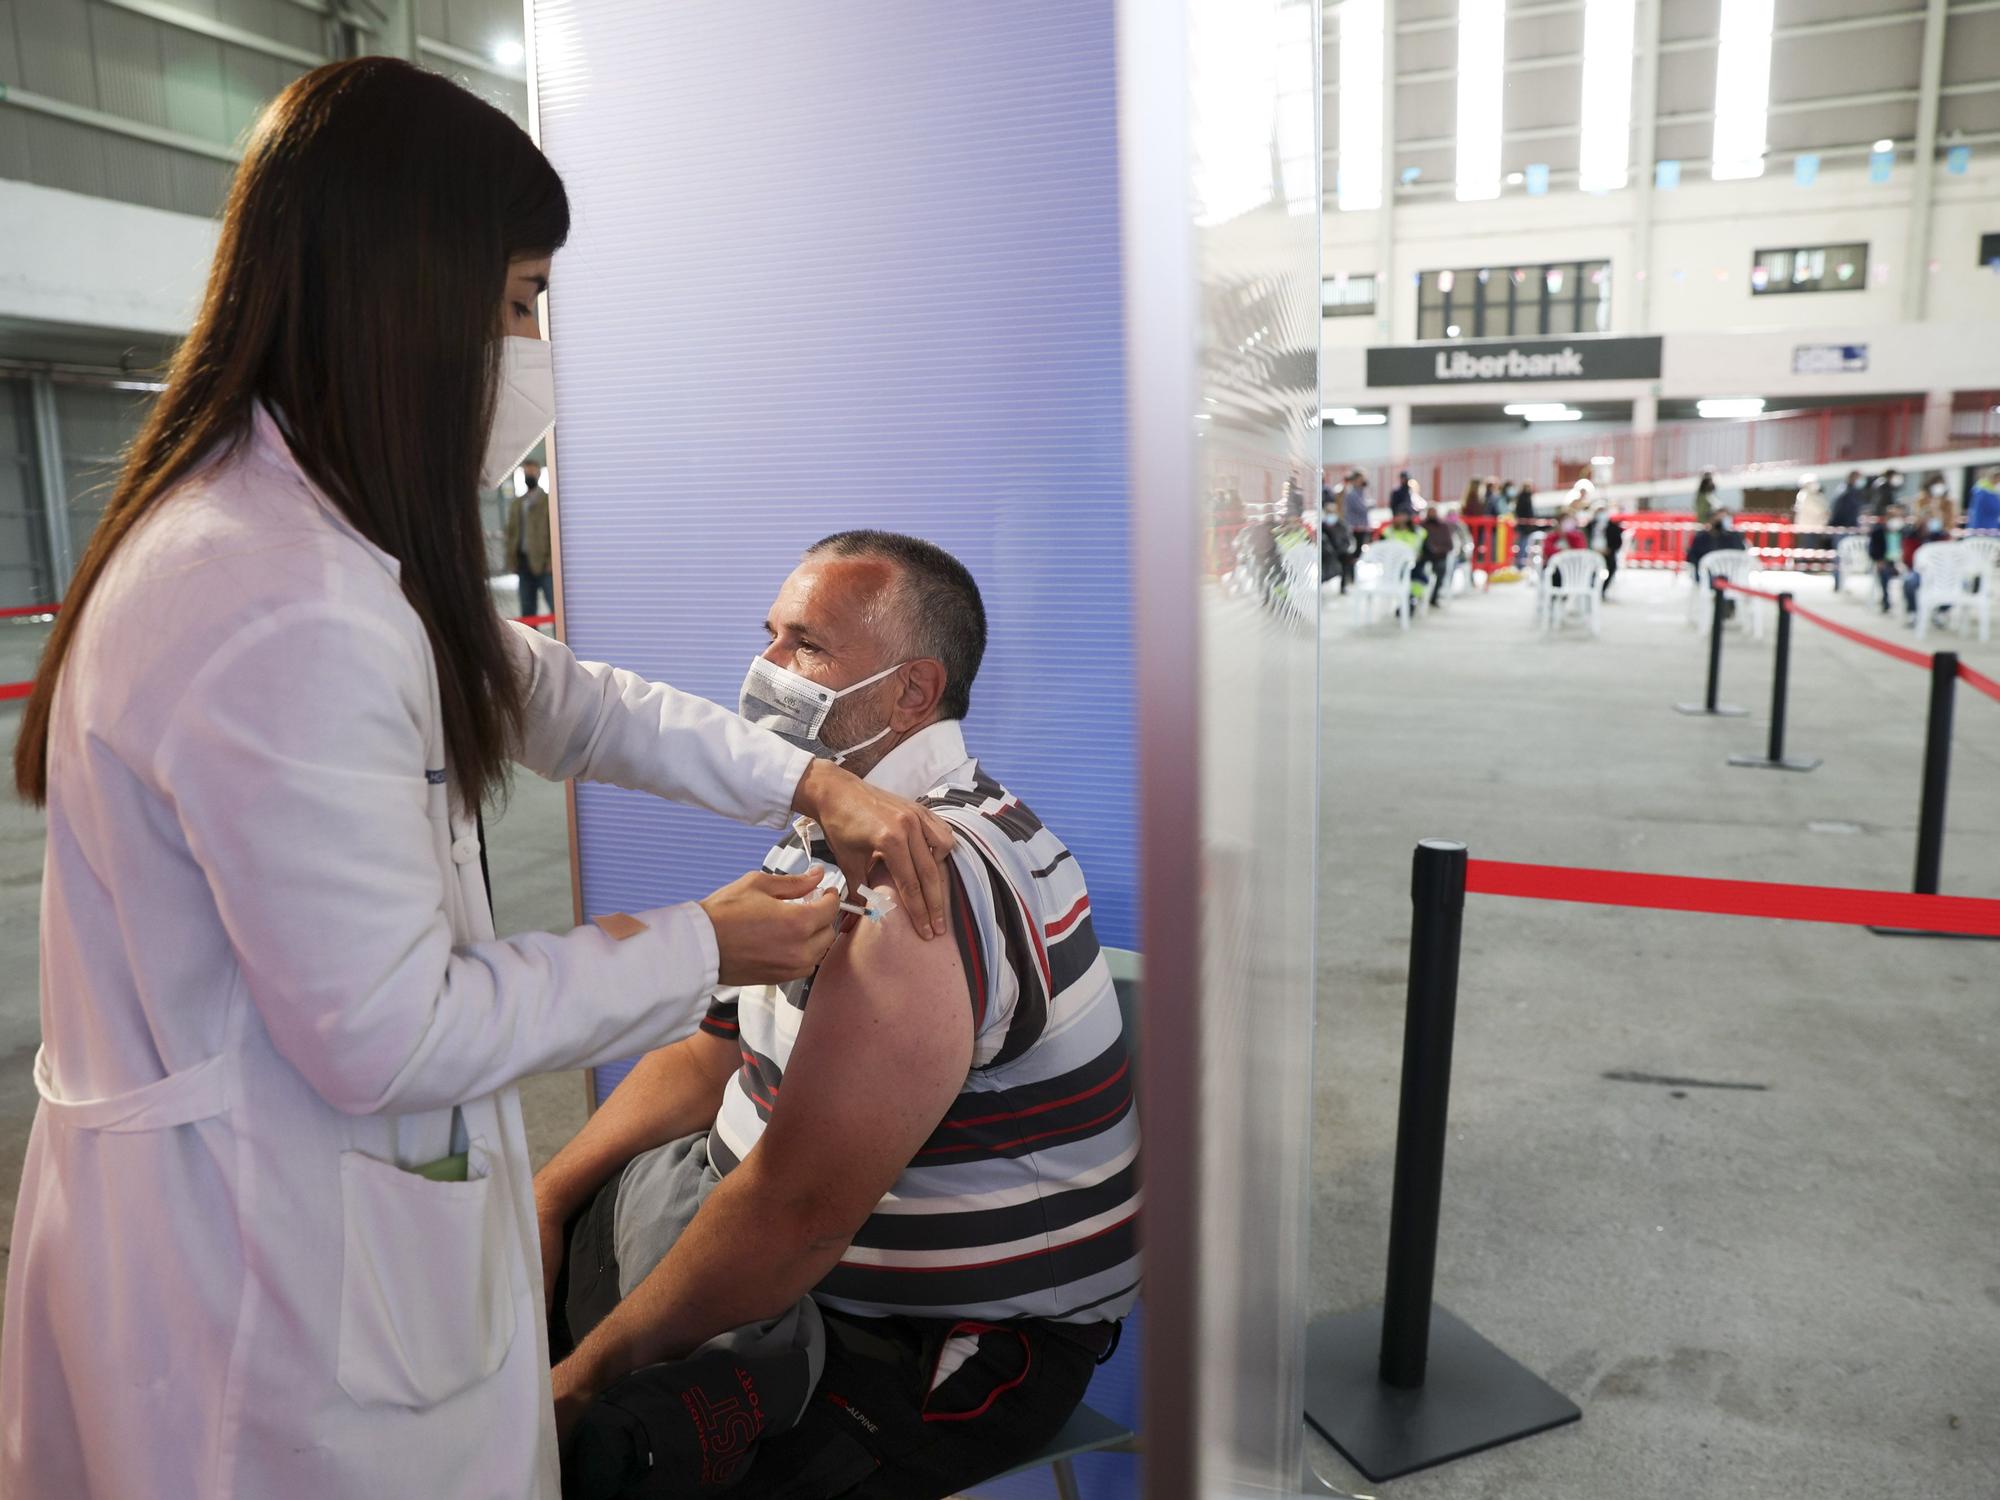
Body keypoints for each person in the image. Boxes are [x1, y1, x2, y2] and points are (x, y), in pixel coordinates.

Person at [0, 59, 958, 1500]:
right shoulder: (271, 604)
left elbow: (562, 697)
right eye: (519, 300)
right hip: (267, 1299)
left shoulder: (327, 545)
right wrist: (709, 941)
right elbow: (387, 1034)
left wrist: (807, 787)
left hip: (320, 1232)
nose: (532, 347)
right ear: (408, 302)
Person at [539, 533, 1136, 1497]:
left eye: (805, 646)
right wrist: (550, 1194)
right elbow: (710, 1055)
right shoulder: (830, 831)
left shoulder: (920, 878)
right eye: (770, 636)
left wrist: (579, 1382)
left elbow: (796, 1212)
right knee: (512, 1307)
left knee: (591, 1449)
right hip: (780, 1260)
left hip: (923, 1349)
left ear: (912, 691)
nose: (767, 671)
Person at [504, 458, 554, 616]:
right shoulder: (517, 504)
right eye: (525, 472)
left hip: (545, 564)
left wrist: (552, 561)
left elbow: (553, 531)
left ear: (539, 473)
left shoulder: (549, 502)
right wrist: (511, 560)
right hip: (523, 564)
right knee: (528, 612)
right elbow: (511, 534)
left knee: (556, 608)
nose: (528, 475)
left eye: (532, 472)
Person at [1867, 503, 1906, 613]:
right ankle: (1886, 601)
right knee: (1884, 572)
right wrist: (1879, 560)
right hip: (1885, 561)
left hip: (1900, 561)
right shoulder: (1878, 532)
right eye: (1893, 517)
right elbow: (1873, 550)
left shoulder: (1904, 532)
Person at [1585, 502, 1624, 597]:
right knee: (1589, 568)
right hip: (1592, 552)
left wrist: (1608, 549)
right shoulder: (1590, 526)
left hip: (1608, 552)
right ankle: (1591, 588)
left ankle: (1602, 590)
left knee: (1612, 566)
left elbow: (1618, 543)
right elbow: (1585, 540)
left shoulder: (1613, 526)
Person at [1420, 505, 1457, 606]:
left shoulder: (1443, 526)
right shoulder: (1422, 526)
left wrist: (1438, 550)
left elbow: (1450, 545)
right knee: (1418, 571)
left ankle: (1434, 596)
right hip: (1425, 556)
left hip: (1440, 556)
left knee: (1441, 570)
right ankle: (1418, 596)